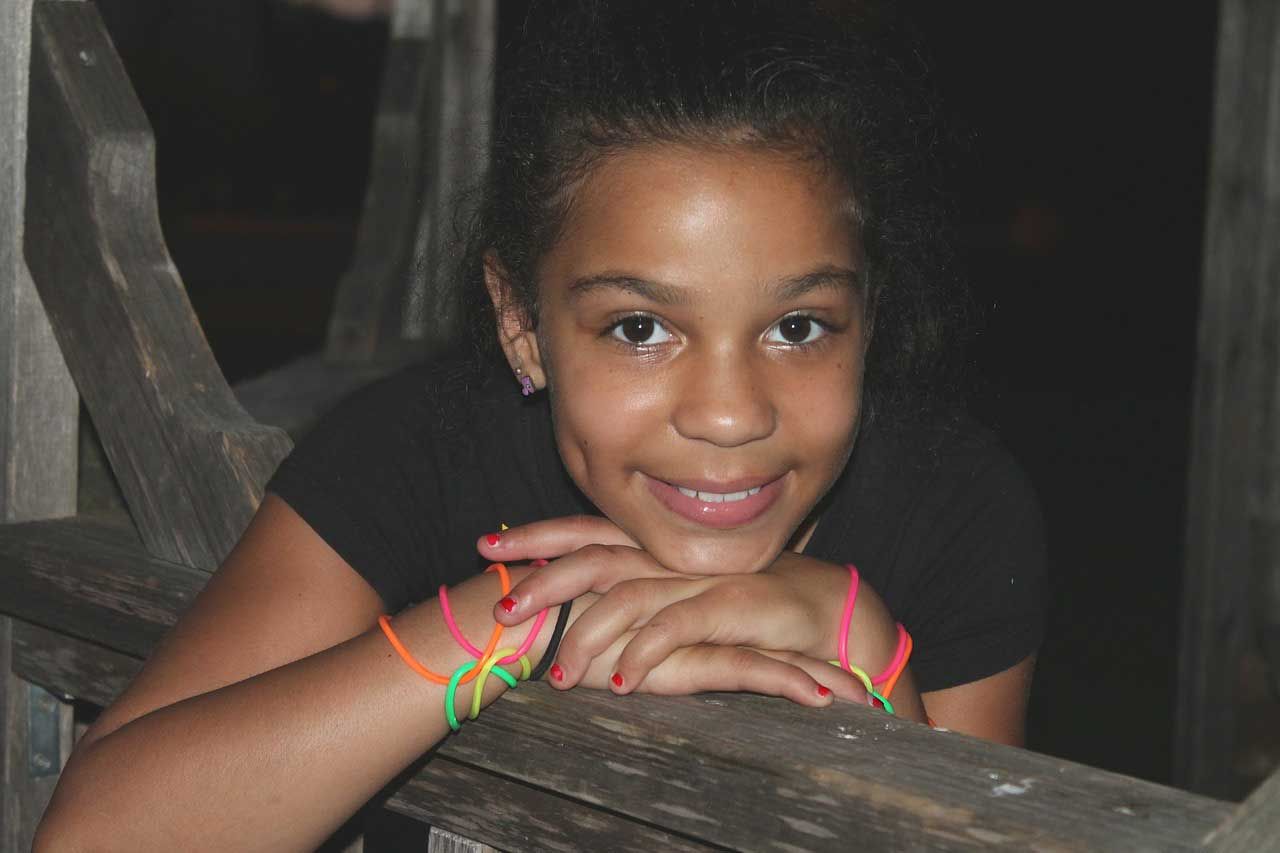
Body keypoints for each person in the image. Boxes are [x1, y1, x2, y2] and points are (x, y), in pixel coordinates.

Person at [35, 1, 1046, 849]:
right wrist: (517, 616)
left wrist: (868, 649)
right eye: (640, 327)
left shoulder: (953, 511)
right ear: (521, 325)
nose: (730, 412)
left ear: (868, 317)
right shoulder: (414, 455)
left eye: (797, 326)